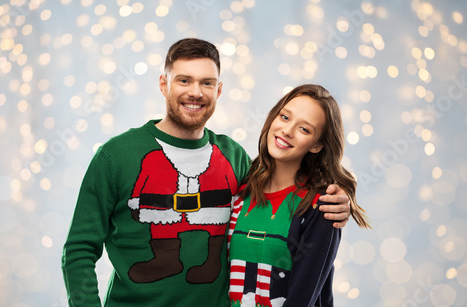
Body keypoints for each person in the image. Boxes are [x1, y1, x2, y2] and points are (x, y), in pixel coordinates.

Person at [61, 39, 352, 306]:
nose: (196, 93)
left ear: (219, 90)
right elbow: (79, 250)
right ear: (164, 84)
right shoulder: (116, 156)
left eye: (207, 83)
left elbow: (281, 187)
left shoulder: (233, 156)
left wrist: (338, 200)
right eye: (184, 80)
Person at [227, 84, 371, 307]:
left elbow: (302, 299)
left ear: (317, 145)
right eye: (285, 117)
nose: (287, 130)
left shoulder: (321, 208)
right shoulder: (239, 189)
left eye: (304, 129)